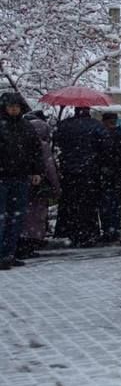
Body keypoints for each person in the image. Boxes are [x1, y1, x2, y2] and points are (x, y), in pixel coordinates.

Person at [52, 105, 106, 246]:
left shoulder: (64, 125)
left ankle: (71, 232)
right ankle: (88, 234)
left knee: (70, 202)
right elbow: (105, 147)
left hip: (69, 171)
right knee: (88, 204)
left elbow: (56, 144)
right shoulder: (96, 126)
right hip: (89, 171)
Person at [1, 93, 43, 270]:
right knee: (4, 218)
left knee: (16, 218)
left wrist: (36, 171)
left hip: (20, 177)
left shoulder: (26, 127)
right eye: (10, 106)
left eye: (16, 106)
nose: (13, 109)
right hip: (3, 178)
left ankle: (9, 254)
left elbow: (35, 151)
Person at [19, 109, 57, 260]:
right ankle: (30, 243)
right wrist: (56, 187)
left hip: (21, 183)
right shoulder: (43, 145)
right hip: (37, 186)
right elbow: (50, 168)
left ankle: (20, 242)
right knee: (36, 216)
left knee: (22, 214)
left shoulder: (21, 141)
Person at [97, 112, 121, 243]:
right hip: (117, 173)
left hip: (105, 173)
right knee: (114, 203)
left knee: (106, 204)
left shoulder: (101, 135)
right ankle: (113, 230)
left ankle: (108, 230)